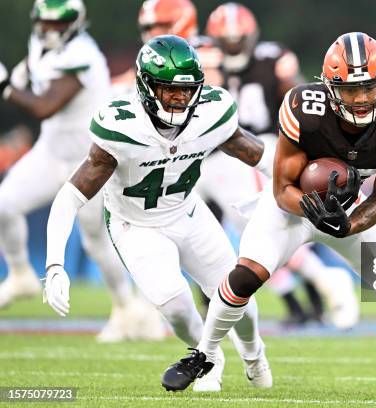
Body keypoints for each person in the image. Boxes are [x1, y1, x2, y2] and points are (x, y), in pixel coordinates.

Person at [161, 31, 376, 397]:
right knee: (246, 275)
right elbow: (281, 187)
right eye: (351, 90)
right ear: (330, 87)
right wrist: (312, 210)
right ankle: (204, 356)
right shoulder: (305, 107)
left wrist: (348, 223)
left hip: (349, 209)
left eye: (370, 87)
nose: (363, 98)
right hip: (292, 207)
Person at [43, 35, 273, 392]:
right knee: (177, 307)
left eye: (187, 89)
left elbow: (257, 153)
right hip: (135, 225)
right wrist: (54, 264)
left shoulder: (210, 112)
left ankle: (254, 353)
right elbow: (70, 197)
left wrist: (291, 187)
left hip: (188, 211)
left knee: (235, 292)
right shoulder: (120, 126)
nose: (180, 97)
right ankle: (208, 357)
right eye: (169, 89)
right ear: (146, 85)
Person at [0, 0, 164, 342]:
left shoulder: (84, 54)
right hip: (50, 151)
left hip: (90, 158)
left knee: (96, 242)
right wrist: (23, 74)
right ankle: (19, 273)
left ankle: (126, 309)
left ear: (74, 24)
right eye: (44, 22)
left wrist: (6, 87)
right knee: (4, 205)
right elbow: (37, 72)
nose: (49, 29)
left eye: (58, 23)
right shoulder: (41, 46)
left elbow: (45, 106)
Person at [199, 2, 358, 329]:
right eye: (225, 40)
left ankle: (324, 282)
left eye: (237, 39)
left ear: (251, 37)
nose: (232, 46)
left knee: (261, 232)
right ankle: (304, 297)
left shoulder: (273, 58)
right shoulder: (203, 57)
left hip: (256, 151)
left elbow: (296, 98)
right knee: (239, 238)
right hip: (209, 158)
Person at [112, 0, 224, 95]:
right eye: (149, 27)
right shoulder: (153, 55)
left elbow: (211, 84)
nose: (153, 32)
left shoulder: (199, 48)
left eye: (161, 25)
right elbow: (129, 78)